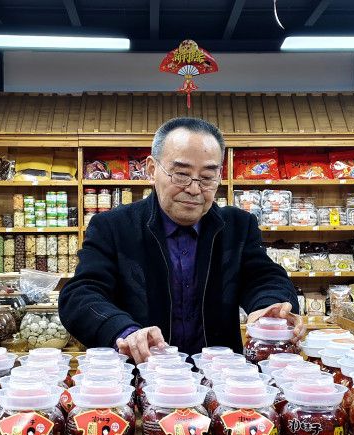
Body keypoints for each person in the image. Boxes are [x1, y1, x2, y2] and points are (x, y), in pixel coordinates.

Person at [59, 117, 303, 363]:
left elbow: (264, 277)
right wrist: (125, 332)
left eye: (207, 178)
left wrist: (270, 308)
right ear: (152, 170)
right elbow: (81, 294)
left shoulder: (238, 226)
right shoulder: (113, 227)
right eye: (181, 174)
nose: (194, 189)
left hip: (219, 382)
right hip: (139, 380)